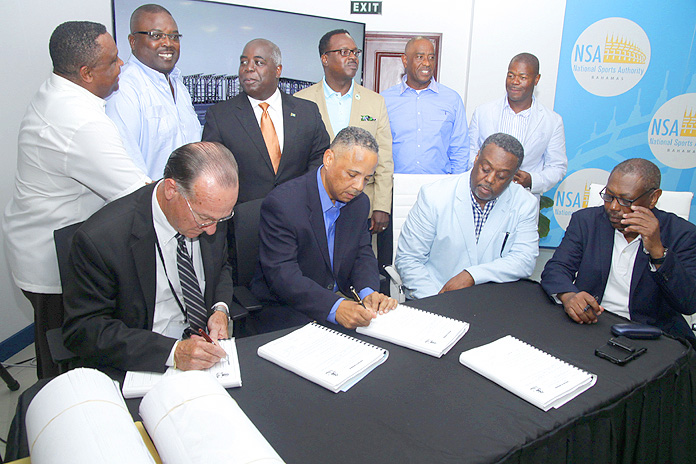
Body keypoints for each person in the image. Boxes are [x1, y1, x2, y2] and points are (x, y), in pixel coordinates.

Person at [2, 21, 150, 378]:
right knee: (64, 363)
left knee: (53, 346)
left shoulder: (58, 89)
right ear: (85, 73)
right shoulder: (80, 123)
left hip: (36, 240)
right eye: (113, 61)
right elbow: (140, 195)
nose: (122, 67)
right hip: (54, 262)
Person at [62, 142, 238, 373]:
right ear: (171, 190)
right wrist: (172, 353)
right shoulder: (101, 239)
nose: (212, 230)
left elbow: (221, 267)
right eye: (204, 219)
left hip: (206, 352)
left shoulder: (212, 213)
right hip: (145, 359)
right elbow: (84, 329)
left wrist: (220, 309)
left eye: (221, 219)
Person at [250, 127, 397, 331]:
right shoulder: (283, 203)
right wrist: (335, 307)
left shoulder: (359, 203)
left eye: (367, 179)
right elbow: (283, 275)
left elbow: (362, 253)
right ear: (328, 159)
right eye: (352, 174)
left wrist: (368, 293)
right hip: (287, 308)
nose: (359, 186)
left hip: (339, 301)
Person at [541, 158, 696, 341]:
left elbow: (688, 302)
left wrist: (658, 252)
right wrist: (568, 296)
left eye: (625, 200)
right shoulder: (586, 222)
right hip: (592, 324)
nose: (613, 207)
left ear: (653, 198)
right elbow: (556, 269)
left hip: (652, 334)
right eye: (609, 196)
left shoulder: (682, 234)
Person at [395, 133, 539, 299]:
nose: (490, 179)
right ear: (476, 157)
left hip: (492, 302)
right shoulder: (434, 195)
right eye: (485, 169)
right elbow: (409, 259)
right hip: (434, 294)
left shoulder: (524, 203)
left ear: (514, 176)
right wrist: (437, 301)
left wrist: (472, 275)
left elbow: (524, 260)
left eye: (501, 176)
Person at [202, 38, 329, 204]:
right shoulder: (220, 116)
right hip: (243, 220)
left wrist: (302, 197)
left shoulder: (307, 112)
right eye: (243, 62)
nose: (248, 68)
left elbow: (320, 160)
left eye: (258, 62)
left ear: (277, 70)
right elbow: (213, 171)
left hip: (297, 214)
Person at [295, 29, 394, 242]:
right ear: (325, 58)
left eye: (355, 52)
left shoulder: (375, 102)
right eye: (344, 51)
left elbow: (384, 160)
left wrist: (382, 206)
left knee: (359, 265)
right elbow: (296, 159)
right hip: (314, 204)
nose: (352, 57)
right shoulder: (301, 101)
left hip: (361, 203)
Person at [106, 4, 201, 180]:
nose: (168, 43)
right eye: (156, 36)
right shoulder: (124, 87)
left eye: (174, 36)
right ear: (133, 41)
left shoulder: (178, 84)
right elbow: (126, 168)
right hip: (149, 203)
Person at [468, 53, 566, 195]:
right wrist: (484, 175)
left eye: (523, 77)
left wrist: (532, 180)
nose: (515, 81)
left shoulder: (552, 121)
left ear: (536, 79)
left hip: (523, 197)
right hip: (483, 194)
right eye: (511, 75)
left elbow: (557, 166)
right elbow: (471, 152)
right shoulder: (483, 112)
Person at [381, 37, 469, 174]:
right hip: (396, 187)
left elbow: (460, 149)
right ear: (405, 60)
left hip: (439, 186)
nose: (427, 63)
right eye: (420, 57)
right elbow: (378, 148)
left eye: (431, 57)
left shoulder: (452, 100)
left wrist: (454, 185)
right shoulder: (384, 100)